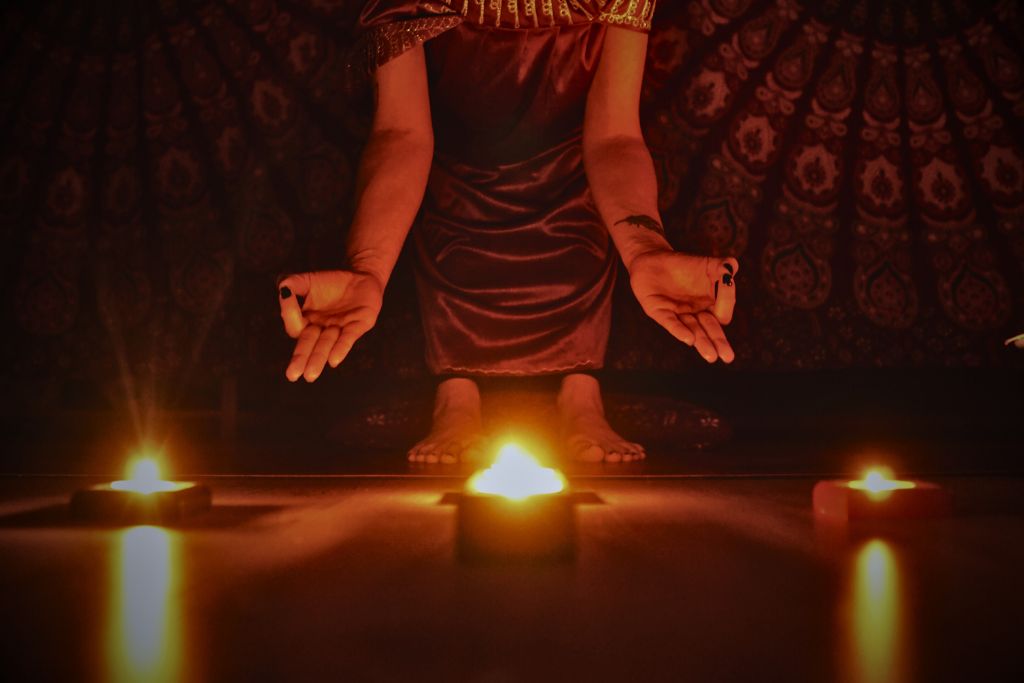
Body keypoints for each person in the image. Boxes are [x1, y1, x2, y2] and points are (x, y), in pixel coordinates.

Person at [277, 0, 739, 464]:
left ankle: (581, 393)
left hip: (575, 180)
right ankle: (455, 393)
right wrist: (369, 269)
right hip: (453, 180)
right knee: (443, 212)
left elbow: (614, 136)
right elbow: (402, 133)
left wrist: (645, 249)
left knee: (583, 215)